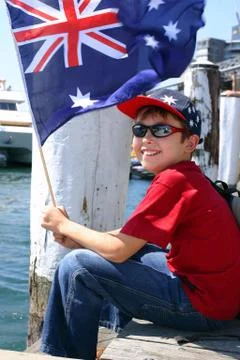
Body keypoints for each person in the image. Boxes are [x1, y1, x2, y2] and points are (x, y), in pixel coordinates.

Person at [40, 89, 240, 360]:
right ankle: (114, 331)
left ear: (190, 143)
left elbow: (118, 249)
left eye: (160, 130)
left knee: (77, 267)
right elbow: (136, 237)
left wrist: (64, 225)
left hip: (203, 307)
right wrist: (81, 238)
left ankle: (67, 355)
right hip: (218, 298)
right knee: (138, 252)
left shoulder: (173, 180)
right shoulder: (187, 175)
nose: (146, 138)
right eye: (140, 129)